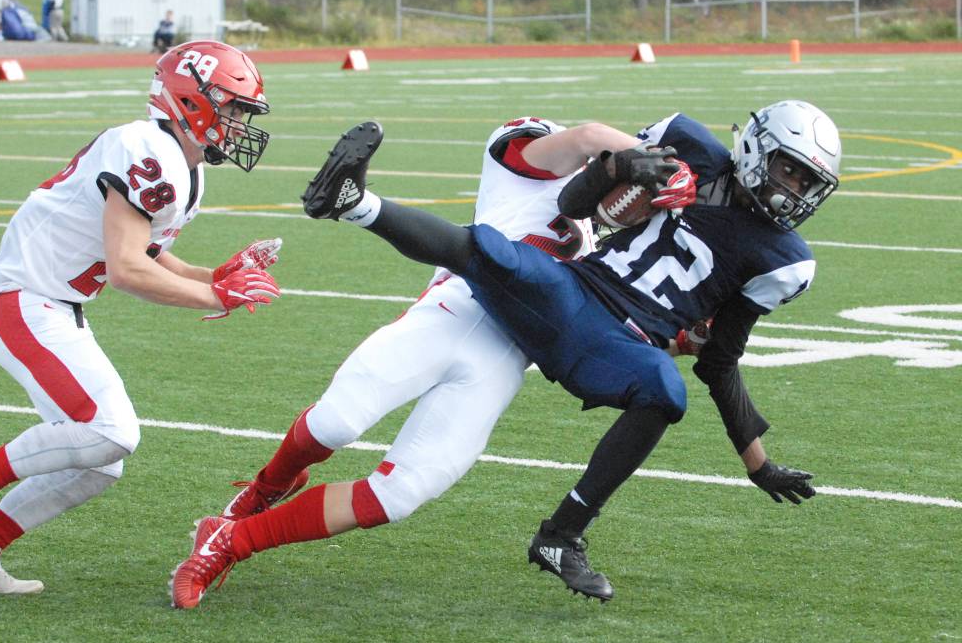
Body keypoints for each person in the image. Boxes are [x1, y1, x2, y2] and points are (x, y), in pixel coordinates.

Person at [244, 100, 835, 602]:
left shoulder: (786, 260)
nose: (794, 191)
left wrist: (757, 462)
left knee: (665, 389)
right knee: (494, 252)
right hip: (578, 292)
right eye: (789, 170)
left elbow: (719, 359)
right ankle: (353, 203)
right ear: (758, 148)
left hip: (621, 344)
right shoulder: (688, 145)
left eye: (808, 182)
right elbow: (577, 203)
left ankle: (563, 534)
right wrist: (624, 168)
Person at [168, 117, 703, 609]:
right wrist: (652, 158)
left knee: (399, 494)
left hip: (504, 361)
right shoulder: (530, 172)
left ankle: (229, 540)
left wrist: (682, 342)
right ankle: (266, 486)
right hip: (452, 311)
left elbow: (616, 333)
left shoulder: (617, 248)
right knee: (337, 422)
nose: (634, 203)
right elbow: (586, 137)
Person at [0, 40, 280, 595]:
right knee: (110, 431)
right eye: (232, 107)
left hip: (52, 305)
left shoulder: (182, 165)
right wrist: (217, 298)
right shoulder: (147, 148)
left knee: (98, 461)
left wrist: (210, 276)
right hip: (21, 298)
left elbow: (144, 251)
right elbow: (126, 270)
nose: (239, 123)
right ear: (191, 100)